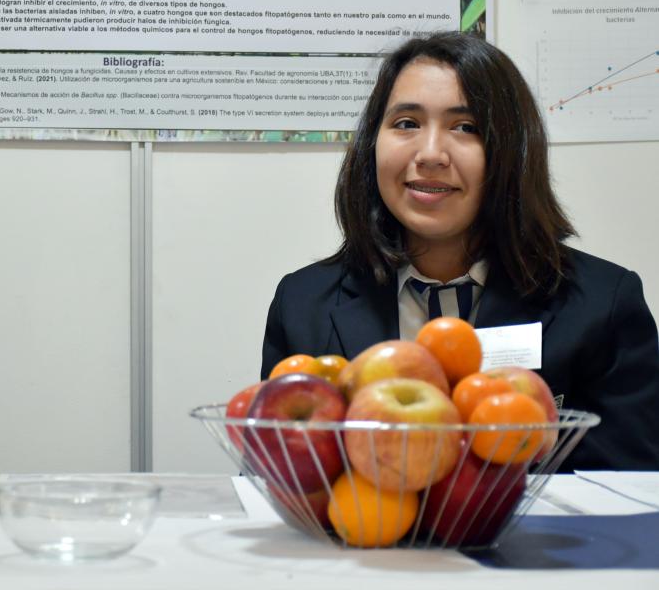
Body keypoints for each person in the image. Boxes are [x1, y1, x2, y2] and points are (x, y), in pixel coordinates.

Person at [260, 32, 659, 471]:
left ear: (511, 152)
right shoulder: (303, 304)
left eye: (465, 127)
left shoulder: (602, 305)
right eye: (406, 123)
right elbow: (284, 481)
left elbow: (627, 497)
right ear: (373, 142)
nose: (430, 154)